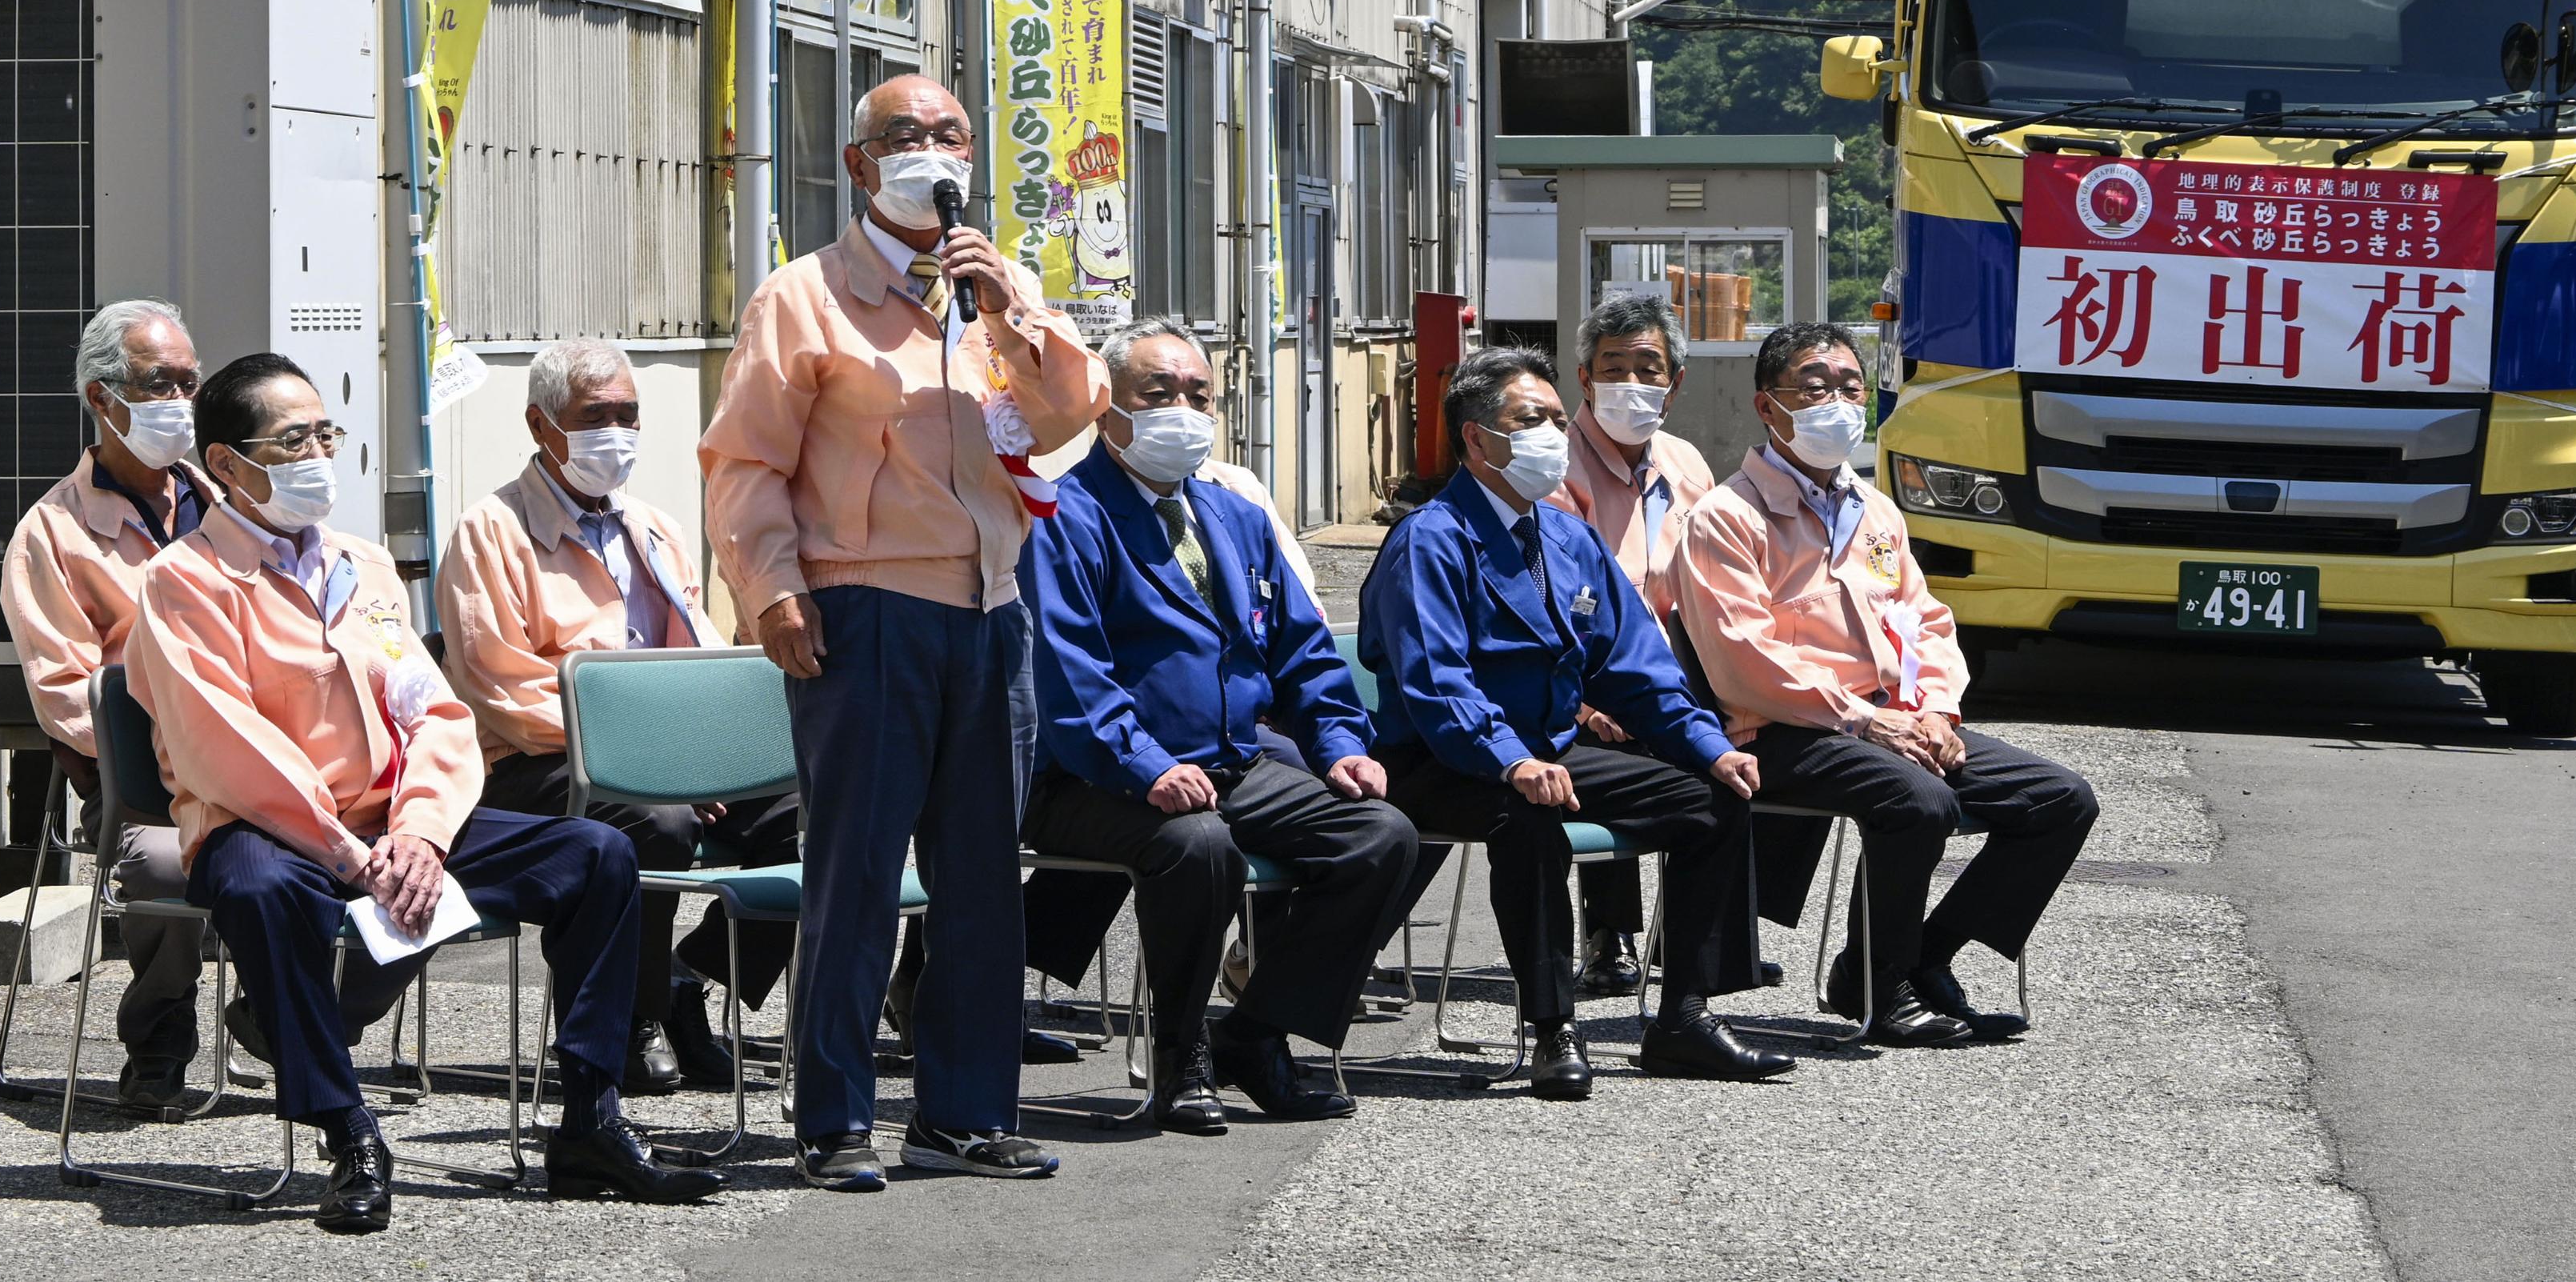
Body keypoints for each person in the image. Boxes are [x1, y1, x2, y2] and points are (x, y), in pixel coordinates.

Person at [128, 354, 723, 1233]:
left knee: (597, 855)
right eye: (292, 441)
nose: (317, 456)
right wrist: (352, 856)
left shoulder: (360, 565)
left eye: (324, 435)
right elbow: (227, 748)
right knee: (258, 890)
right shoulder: (184, 581)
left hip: (394, 825)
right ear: (226, 463)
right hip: (268, 827)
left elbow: (434, 713)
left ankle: (590, 1119)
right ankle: (348, 1132)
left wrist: (419, 834)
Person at [700, 74, 1110, 1193]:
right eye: (905, 135)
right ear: (861, 163)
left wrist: (1009, 310)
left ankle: (963, 1114)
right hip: (866, 605)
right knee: (858, 873)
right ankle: (833, 1115)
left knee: (981, 877)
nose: (932, 151)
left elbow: (1071, 414)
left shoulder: (993, 288)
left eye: (950, 134)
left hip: (992, 608)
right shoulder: (805, 297)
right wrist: (771, 588)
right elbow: (744, 461)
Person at [1358, 346, 1792, 1100]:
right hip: (1442, 759)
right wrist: (1510, 760)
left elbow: (1636, 668)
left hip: (1549, 748)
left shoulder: (1566, 537)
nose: (1555, 436)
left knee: (1713, 799)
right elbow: (1438, 684)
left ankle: (1684, 1017)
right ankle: (1553, 1026)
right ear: (1477, 439)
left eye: (1559, 421)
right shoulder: (1431, 538)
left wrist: (1707, 746)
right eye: (1532, 420)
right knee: (1526, 819)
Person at [1020, 319, 1417, 1136]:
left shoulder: (1232, 517)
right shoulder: (1065, 517)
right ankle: (1180, 1055)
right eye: (1157, 393)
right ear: (1104, 408)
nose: (1183, 410)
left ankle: (1257, 1032)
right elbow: (1070, 676)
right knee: (1198, 846)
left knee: (1379, 834)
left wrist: (1340, 745)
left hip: (1228, 762)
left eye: (1198, 396)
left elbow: (1302, 650)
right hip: (1094, 776)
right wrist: (1146, 766)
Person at [1666, 323, 2100, 1047]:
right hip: (1780, 729)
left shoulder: (1874, 510)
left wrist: (1937, 710)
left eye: (1850, 388)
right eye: (1815, 388)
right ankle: (1882, 982)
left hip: (1888, 722)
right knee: (1918, 801)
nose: (1837, 403)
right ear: (1768, 407)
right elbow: (1744, 660)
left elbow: (1925, 621)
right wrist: (1864, 721)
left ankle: (1923, 956)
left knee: (2060, 799)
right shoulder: (1726, 517)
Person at [440, 339, 796, 1096]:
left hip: (666, 755)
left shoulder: (655, 528)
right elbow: (501, 687)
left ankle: (690, 977)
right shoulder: (491, 530)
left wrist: (702, 758)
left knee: (813, 809)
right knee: (655, 822)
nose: (617, 432)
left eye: (628, 414)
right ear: (541, 426)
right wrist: (653, 762)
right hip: (535, 763)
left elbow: (697, 659)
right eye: (593, 416)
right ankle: (631, 1013)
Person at [0, 298, 214, 1112]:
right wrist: (177, 755)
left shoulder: (231, 506)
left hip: (264, 763)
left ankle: (283, 1018)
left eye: (190, 383)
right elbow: (67, 695)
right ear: (102, 397)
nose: (181, 402)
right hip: (142, 779)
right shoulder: (52, 534)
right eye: (161, 384)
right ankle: (160, 1036)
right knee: (163, 860)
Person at [1552, 292, 1719, 999]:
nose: (1630, 383)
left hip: (1679, 666)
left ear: (1674, 384)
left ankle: (1709, 938)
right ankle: (1609, 934)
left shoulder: (1685, 463)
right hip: (1587, 674)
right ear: (1584, 378)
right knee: (1618, 732)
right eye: (1612, 367)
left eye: (1647, 368)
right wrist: (1590, 701)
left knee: (1754, 743)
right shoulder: (1555, 464)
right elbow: (1551, 601)